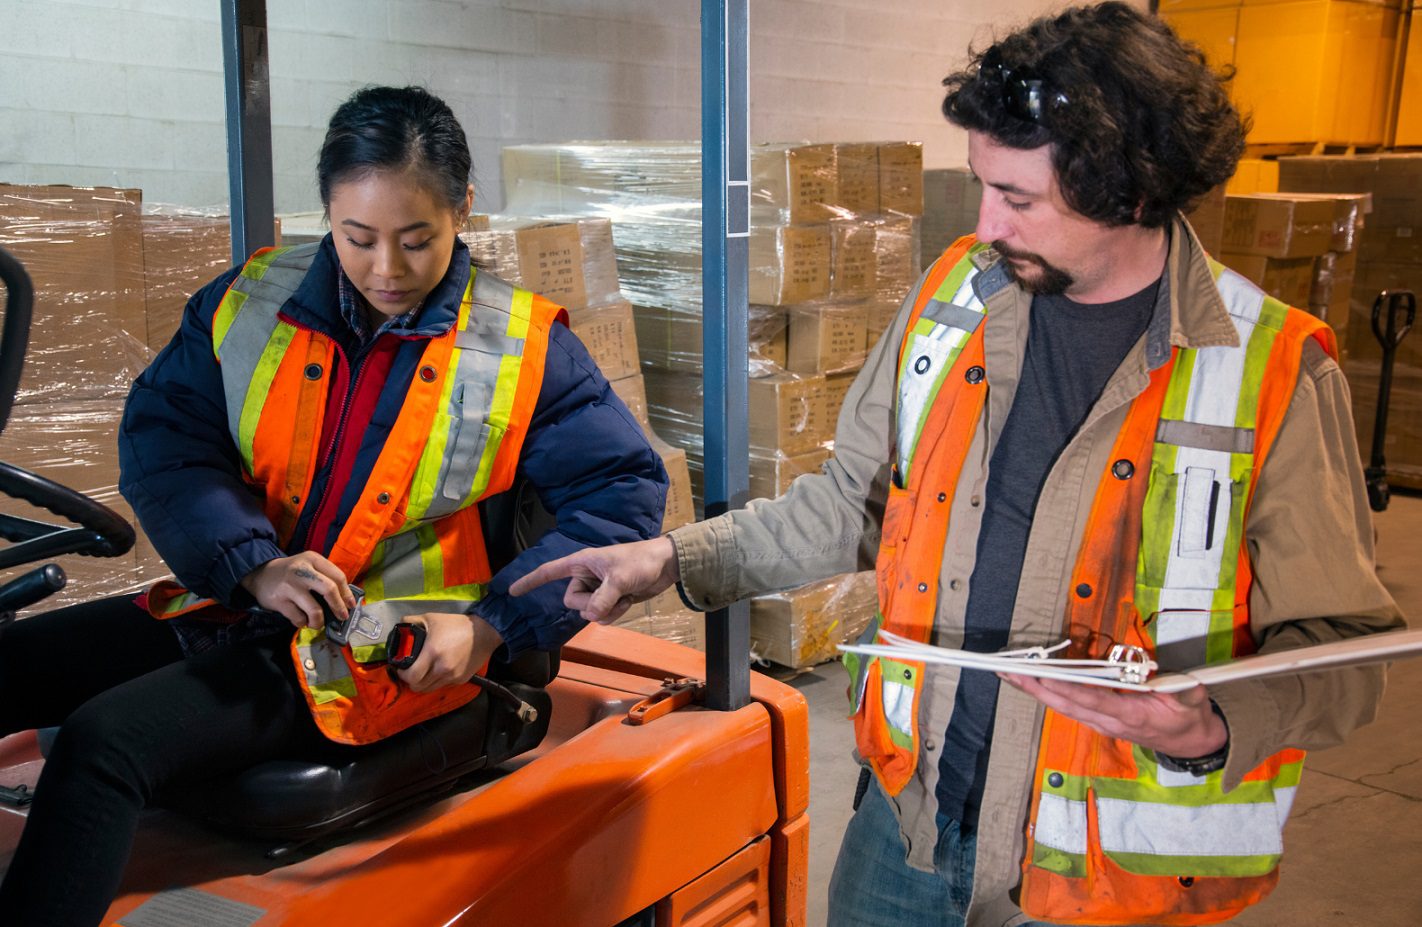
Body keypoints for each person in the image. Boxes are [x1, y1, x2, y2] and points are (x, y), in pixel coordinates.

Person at [512, 5, 1406, 925]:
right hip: (908, 831)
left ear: (1132, 194)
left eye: (1018, 199)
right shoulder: (954, 300)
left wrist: (1214, 723)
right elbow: (848, 506)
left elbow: (1346, 654)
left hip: (1112, 880)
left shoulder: (1272, 372)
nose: (984, 222)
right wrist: (668, 560)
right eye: (983, 183)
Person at [0, 85, 667, 926]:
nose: (387, 268)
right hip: (242, 602)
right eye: (359, 238)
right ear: (328, 213)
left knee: (104, 745)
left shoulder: (524, 346)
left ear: (463, 207)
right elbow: (170, 438)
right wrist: (254, 563)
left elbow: (621, 498)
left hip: (386, 650)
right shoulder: (249, 302)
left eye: (417, 238)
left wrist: (494, 626)